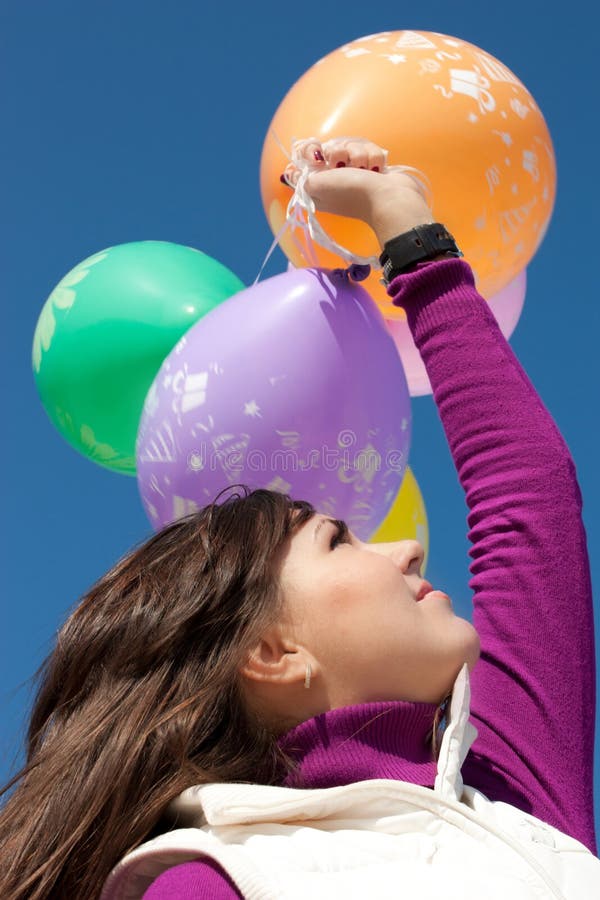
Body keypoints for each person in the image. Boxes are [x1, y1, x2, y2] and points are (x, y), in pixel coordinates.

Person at [0, 138, 597, 899]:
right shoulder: (209, 883)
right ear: (274, 653)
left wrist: (409, 230)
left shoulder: (511, 784)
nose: (410, 548)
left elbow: (528, 490)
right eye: (338, 538)